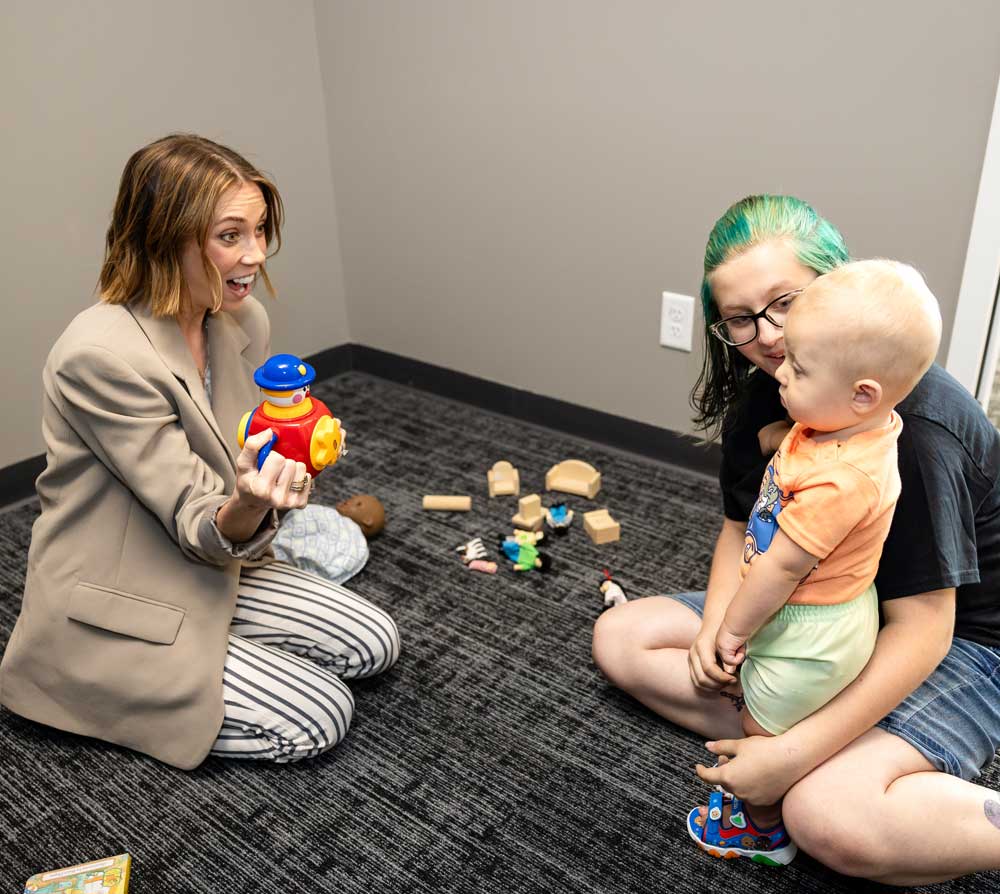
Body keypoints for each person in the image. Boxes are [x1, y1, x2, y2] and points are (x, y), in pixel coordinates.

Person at [592, 195, 1000, 885]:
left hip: (960, 640)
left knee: (825, 816)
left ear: (834, 286)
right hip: (816, 605)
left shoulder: (920, 437)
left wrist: (792, 756)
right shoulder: (775, 392)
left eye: (786, 302)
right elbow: (738, 527)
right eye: (742, 320)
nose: (769, 337)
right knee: (621, 638)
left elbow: (926, 628)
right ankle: (823, 745)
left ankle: (821, 759)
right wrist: (717, 630)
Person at [0, 134, 400, 770]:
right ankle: (77, 683)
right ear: (164, 238)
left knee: (377, 642)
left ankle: (219, 642)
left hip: (212, 557)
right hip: (127, 588)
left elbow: (236, 458)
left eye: (261, 230)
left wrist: (281, 473)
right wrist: (247, 503)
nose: (256, 254)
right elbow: (197, 515)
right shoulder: (98, 357)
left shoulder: (240, 321)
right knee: (322, 716)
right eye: (231, 235)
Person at [685, 260, 941, 865]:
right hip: (811, 607)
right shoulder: (840, 423)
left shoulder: (842, 483)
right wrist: (778, 441)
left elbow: (779, 569)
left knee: (762, 724)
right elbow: (796, 444)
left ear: (862, 394)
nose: (782, 373)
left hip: (809, 625)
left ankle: (765, 827)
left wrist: (731, 629)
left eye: (799, 368)